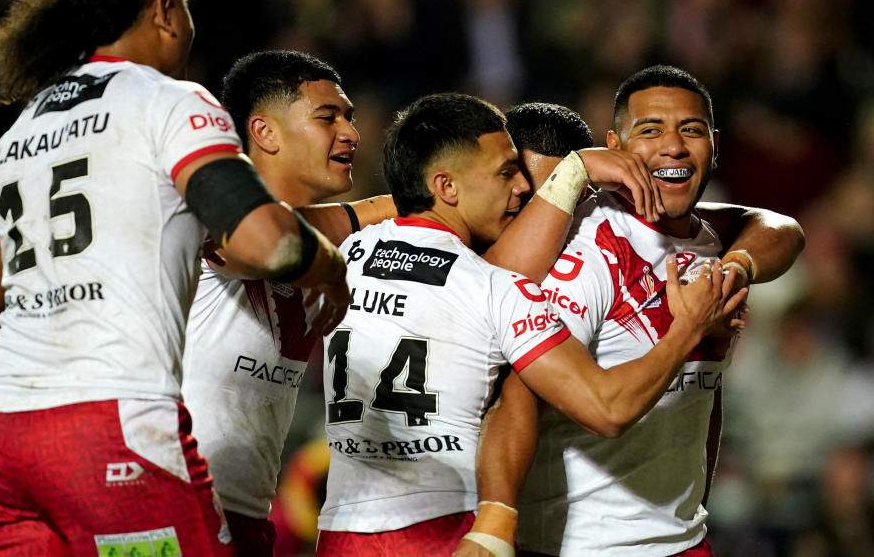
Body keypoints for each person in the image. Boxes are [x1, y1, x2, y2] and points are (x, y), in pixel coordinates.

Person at [0, 0, 348, 557]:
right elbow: (266, 241)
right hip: (108, 430)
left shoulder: (20, 130)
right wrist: (328, 270)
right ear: (165, 10)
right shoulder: (172, 102)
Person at [315, 92, 746, 556]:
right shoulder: (499, 288)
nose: (522, 190)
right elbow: (605, 407)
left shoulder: (345, 254)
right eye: (506, 173)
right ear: (447, 186)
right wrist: (687, 330)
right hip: (448, 531)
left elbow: (264, 225)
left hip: (342, 529)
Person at [463, 66, 805, 557]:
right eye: (650, 130)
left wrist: (735, 269)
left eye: (691, 130)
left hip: (683, 541)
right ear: (615, 148)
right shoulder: (588, 247)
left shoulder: (709, 242)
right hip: (580, 546)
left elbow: (783, 229)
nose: (674, 146)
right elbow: (519, 399)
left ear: (714, 144)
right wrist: (495, 525)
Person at [182, 50, 388, 556]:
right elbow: (261, 241)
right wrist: (338, 256)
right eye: (328, 117)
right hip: (176, 505)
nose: (351, 133)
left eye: (351, 117)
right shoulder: (203, 213)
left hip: (245, 514)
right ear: (265, 132)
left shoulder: (326, 230)